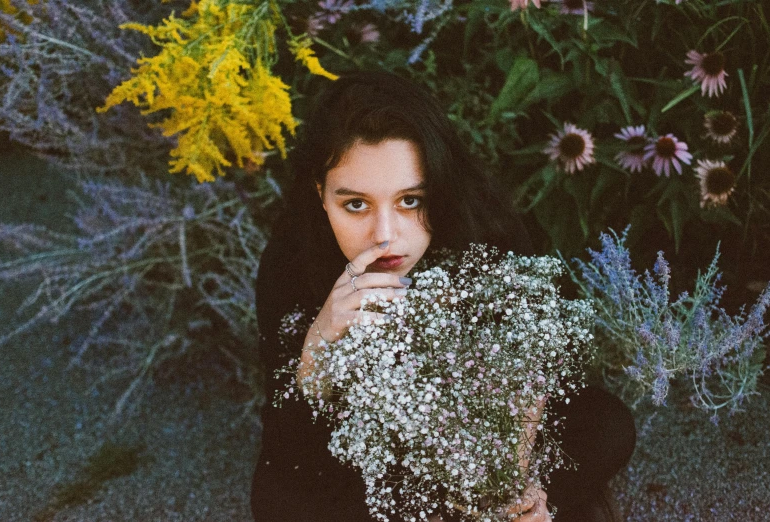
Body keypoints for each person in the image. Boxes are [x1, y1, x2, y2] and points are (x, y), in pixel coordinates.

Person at [250, 70, 636, 522]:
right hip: (372, 462)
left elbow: (534, 372)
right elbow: (287, 441)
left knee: (604, 426)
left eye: (410, 200)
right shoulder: (292, 262)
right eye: (356, 204)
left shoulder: (483, 230)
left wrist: (512, 485)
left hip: (482, 442)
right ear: (321, 194)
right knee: (281, 504)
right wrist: (317, 344)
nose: (386, 236)